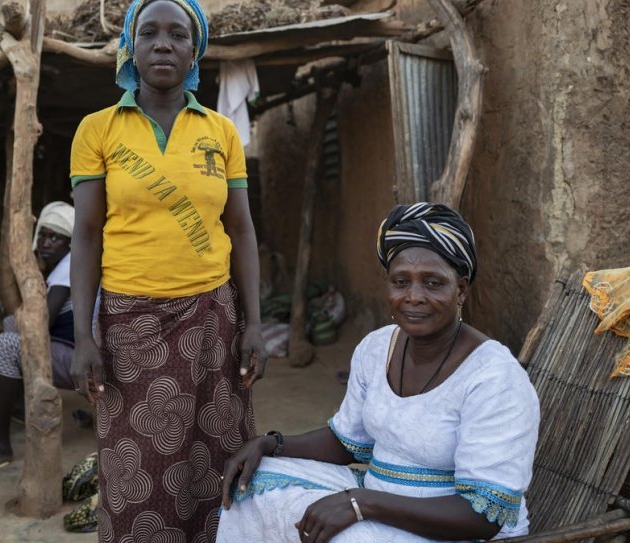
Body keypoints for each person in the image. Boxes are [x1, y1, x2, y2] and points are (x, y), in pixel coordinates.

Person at [218, 203, 541, 542]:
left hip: (454, 529)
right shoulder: (377, 348)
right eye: (401, 282)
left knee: (347, 539)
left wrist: (361, 503)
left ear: (460, 289)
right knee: (251, 483)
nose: (413, 297)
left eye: (433, 283)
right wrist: (271, 443)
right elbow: (347, 443)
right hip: (376, 499)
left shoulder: (494, 378)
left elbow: (482, 515)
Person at [68, 0, 267, 539]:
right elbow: (85, 235)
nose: (163, 44)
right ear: (130, 46)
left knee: (215, 459)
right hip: (130, 327)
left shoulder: (221, 132)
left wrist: (254, 323)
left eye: (177, 34)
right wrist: (83, 334)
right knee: (138, 469)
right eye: (149, 33)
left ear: (194, 49)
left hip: (213, 321)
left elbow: (243, 231)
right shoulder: (98, 129)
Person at [0, 201, 84, 479]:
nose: (46, 243)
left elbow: (42, 322)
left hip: (77, 357)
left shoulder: (67, 269)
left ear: (70, 243)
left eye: (56, 238)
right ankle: (18, 404)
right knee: (10, 324)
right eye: (43, 235)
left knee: (3, 347)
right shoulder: (68, 263)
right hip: (70, 344)